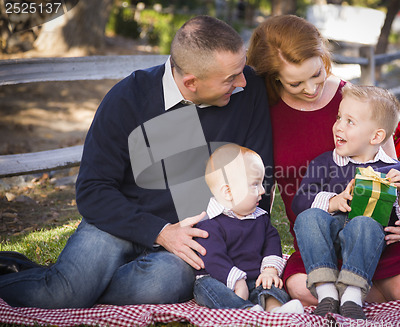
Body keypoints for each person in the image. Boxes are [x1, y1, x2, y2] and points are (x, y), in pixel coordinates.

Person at [0, 15, 274, 308]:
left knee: (163, 284)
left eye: (241, 69)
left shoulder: (249, 92)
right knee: (64, 294)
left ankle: (76, 285)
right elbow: (93, 190)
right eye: (231, 78)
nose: (243, 80)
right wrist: (160, 232)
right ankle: (63, 285)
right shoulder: (127, 98)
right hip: (118, 223)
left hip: (190, 242)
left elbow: (259, 176)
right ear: (191, 82)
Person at [246, 14, 400, 307]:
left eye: (316, 74)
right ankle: (370, 293)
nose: (311, 88)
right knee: (302, 288)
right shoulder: (265, 111)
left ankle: (384, 292)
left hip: (379, 227)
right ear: (274, 77)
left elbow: (391, 168)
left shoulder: (355, 100)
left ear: (322, 55)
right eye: (295, 83)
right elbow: (257, 183)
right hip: (320, 238)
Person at [292, 85, 400, 319]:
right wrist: (333, 202)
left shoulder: (394, 171)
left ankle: (352, 295)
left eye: (350, 121)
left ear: (376, 136)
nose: (339, 125)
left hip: (365, 244)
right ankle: (326, 290)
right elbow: (299, 202)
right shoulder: (324, 163)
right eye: (339, 117)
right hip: (327, 239)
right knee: (307, 217)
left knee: (366, 224)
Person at [193, 143, 303, 313]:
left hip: (255, 277)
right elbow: (214, 259)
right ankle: (244, 310)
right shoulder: (209, 224)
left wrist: (269, 271)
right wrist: (236, 281)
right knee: (207, 288)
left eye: (261, 184)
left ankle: (276, 309)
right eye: (254, 185)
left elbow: (272, 243)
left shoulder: (260, 218)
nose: (262, 191)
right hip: (221, 278)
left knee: (270, 287)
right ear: (228, 192)